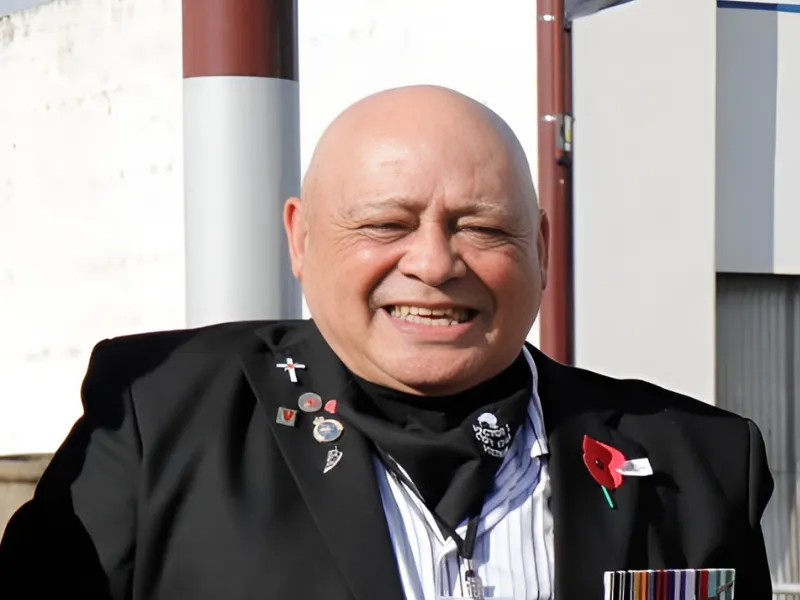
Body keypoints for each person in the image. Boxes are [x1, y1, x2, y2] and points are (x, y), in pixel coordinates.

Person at [0, 85, 773, 600]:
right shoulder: (157, 424)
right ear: (300, 239)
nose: (435, 264)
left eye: (482, 227)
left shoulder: (700, 462)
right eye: (384, 225)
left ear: (540, 245)